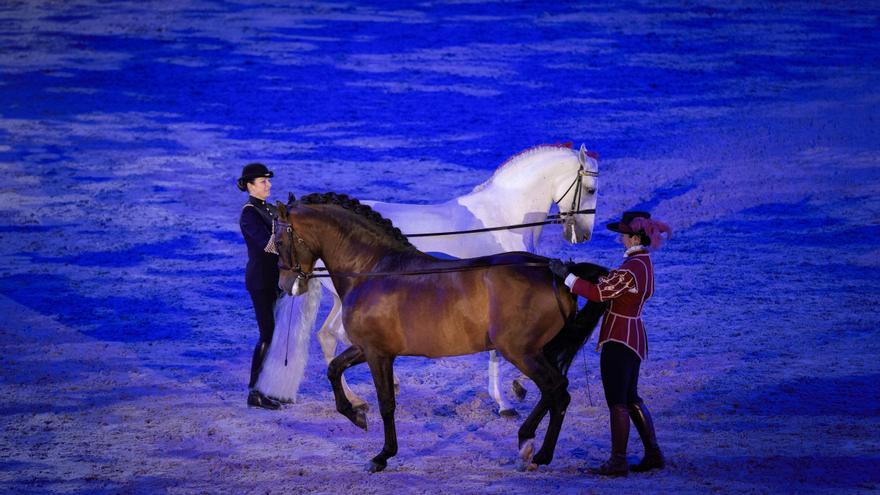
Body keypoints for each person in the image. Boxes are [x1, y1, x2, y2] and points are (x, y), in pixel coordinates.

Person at [549, 211, 671, 476]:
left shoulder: (631, 268)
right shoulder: (644, 263)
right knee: (631, 397)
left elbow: (598, 293)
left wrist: (566, 277)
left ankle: (618, 461)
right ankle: (653, 453)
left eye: (624, 235)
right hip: (635, 336)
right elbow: (611, 286)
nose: (620, 239)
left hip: (619, 339)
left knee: (617, 401)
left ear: (635, 237)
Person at [237, 162, 283, 410]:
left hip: (276, 279)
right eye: (263, 182)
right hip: (261, 281)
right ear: (250, 186)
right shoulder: (249, 214)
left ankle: (273, 387)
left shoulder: (270, 208)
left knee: (277, 335)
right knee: (268, 334)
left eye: (268, 181)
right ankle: (255, 391)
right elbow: (269, 246)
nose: (269, 185)